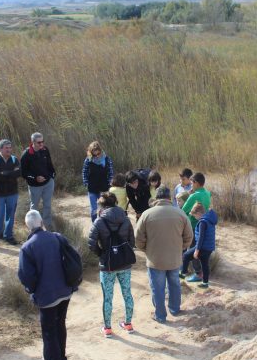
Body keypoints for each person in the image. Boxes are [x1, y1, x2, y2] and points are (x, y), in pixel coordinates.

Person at [18, 210, 73, 360]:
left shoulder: (27, 247)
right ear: (42, 222)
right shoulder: (57, 237)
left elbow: (26, 276)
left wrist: (32, 291)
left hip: (46, 297)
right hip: (65, 291)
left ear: (27, 226)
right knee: (60, 324)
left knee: (49, 333)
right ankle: (62, 358)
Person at [135, 187, 193, 323]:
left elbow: (138, 239)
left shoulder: (146, 214)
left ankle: (160, 316)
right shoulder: (180, 214)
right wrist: (179, 249)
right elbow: (188, 237)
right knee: (174, 284)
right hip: (174, 258)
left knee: (157, 288)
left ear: (157, 198)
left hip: (155, 259)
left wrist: (147, 250)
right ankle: (175, 309)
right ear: (170, 198)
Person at [87, 192, 135, 337]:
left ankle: (107, 328)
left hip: (107, 265)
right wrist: (124, 252)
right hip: (124, 264)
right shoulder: (125, 219)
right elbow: (132, 241)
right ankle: (128, 324)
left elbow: (91, 243)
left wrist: (102, 253)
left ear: (102, 205)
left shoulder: (99, 221)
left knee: (108, 297)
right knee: (127, 293)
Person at [0, 139, 21, 251]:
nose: (9, 150)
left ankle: (8, 237)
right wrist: (11, 173)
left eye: (10, 147)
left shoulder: (14, 159)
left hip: (12, 193)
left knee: (10, 217)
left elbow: (19, 173)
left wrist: (5, 173)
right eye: (6, 148)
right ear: (0, 149)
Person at [20, 132, 56, 229]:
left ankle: (47, 227)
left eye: (42, 141)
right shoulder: (26, 154)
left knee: (47, 205)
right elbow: (23, 173)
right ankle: (33, 228)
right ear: (33, 142)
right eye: (39, 142)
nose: (41, 144)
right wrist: (35, 178)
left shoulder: (45, 150)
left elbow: (50, 164)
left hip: (48, 183)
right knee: (34, 207)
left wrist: (52, 175)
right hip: (34, 186)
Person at [180, 172, 212, 281]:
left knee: (193, 250)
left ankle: (198, 273)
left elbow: (183, 211)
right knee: (199, 248)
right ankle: (201, 271)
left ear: (197, 183)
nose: (191, 184)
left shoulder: (194, 195)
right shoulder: (207, 193)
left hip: (193, 225)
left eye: (192, 182)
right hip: (204, 223)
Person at [179, 203, 218, 288]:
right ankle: (205, 283)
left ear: (199, 213)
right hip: (209, 247)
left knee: (185, 256)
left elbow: (201, 237)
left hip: (202, 247)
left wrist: (197, 250)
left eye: (194, 215)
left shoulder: (202, 222)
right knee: (205, 264)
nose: (194, 217)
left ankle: (183, 274)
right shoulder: (210, 219)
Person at [82, 141, 115, 222]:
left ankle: (104, 225)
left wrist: (110, 183)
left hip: (104, 188)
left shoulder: (107, 159)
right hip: (92, 187)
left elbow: (111, 172)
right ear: (91, 152)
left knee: (104, 208)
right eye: (94, 153)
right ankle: (95, 225)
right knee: (94, 209)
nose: (96, 154)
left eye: (98, 152)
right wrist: (86, 183)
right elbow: (84, 172)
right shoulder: (88, 160)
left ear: (100, 150)